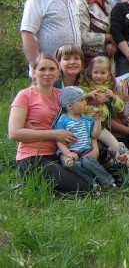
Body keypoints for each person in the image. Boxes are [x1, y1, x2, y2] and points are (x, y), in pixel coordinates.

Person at [8, 54, 89, 193]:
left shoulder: (62, 95)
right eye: (42, 69)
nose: (47, 73)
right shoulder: (25, 95)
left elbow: (80, 111)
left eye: (52, 69)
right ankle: (32, 186)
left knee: (90, 178)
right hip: (33, 156)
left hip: (60, 154)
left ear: (58, 73)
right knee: (81, 188)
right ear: (34, 72)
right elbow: (14, 133)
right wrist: (54, 134)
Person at [21, 0, 81, 73]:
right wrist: (36, 68)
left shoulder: (72, 0)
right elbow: (27, 34)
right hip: (47, 73)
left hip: (70, 71)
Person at [54, 86, 117, 190]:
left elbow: (95, 135)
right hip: (69, 152)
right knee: (72, 165)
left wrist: (97, 120)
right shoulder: (63, 120)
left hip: (86, 150)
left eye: (85, 100)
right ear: (70, 105)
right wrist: (67, 153)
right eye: (81, 100)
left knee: (88, 162)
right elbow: (59, 140)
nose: (85, 103)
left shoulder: (87, 119)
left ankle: (109, 182)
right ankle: (92, 183)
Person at [78, 56, 129, 169]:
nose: (99, 76)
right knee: (89, 151)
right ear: (90, 72)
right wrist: (88, 95)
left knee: (116, 146)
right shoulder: (84, 85)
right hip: (85, 126)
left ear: (109, 73)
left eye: (103, 72)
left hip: (100, 126)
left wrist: (113, 97)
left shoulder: (110, 87)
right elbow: (76, 101)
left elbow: (120, 107)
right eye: (96, 72)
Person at [76, 0, 117, 66]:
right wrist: (108, 37)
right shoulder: (81, 2)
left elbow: (115, 29)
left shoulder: (110, 2)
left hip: (109, 60)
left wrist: (112, 43)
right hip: (89, 62)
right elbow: (82, 36)